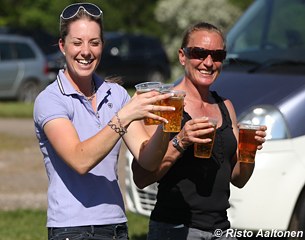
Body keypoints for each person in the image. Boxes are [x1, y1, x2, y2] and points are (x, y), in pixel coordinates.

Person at [33, 3, 175, 240]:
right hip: (72, 229)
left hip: (116, 225)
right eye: (77, 42)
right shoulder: (50, 100)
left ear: (102, 46)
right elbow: (80, 160)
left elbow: (148, 160)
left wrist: (167, 123)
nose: (86, 51)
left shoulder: (116, 94)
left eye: (94, 43)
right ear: (62, 46)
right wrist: (125, 116)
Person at [131, 22, 267, 240]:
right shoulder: (165, 104)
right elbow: (141, 177)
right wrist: (181, 141)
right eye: (199, 53)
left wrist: (249, 151)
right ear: (182, 56)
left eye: (217, 55)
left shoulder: (226, 106)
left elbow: (238, 179)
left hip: (221, 229)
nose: (208, 62)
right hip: (175, 229)